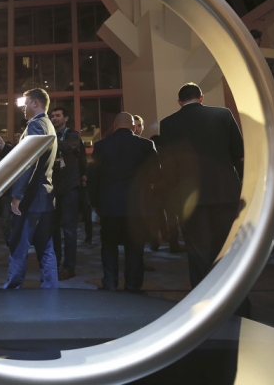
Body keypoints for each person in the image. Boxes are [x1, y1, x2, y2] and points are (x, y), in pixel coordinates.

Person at [160, 83, 247, 315]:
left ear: (180, 102)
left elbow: (168, 165)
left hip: (189, 196)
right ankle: (235, 302)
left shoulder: (169, 123)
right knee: (226, 248)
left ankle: (202, 304)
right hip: (224, 191)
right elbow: (238, 151)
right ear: (201, 97)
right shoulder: (223, 114)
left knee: (198, 251)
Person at [0, 88, 59, 289]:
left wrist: (17, 195)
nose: (23, 107)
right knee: (46, 247)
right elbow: (27, 157)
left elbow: (30, 162)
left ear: (35, 103)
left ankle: (12, 289)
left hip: (31, 198)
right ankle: (50, 290)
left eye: (26, 102)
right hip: (44, 198)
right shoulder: (48, 124)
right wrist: (4, 148)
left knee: (19, 246)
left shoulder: (35, 125)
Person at [91, 113, 160, 292]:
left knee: (109, 245)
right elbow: (156, 174)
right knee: (135, 247)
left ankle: (110, 283)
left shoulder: (101, 146)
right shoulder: (146, 145)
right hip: (137, 205)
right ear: (133, 126)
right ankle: (133, 286)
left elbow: (94, 177)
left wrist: (95, 202)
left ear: (115, 125)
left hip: (110, 203)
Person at [49, 106, 82, 281]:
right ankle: (54, 264)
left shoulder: (73, 135)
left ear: (66, 118)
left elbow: (68, 147)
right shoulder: (51, 135)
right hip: (53, 187)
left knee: (69, 230)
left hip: (69, 186)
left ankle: (69, 267)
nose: (54, 118)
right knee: (53, 229)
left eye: (57, 115)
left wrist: (49, 140)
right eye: (52, 116)